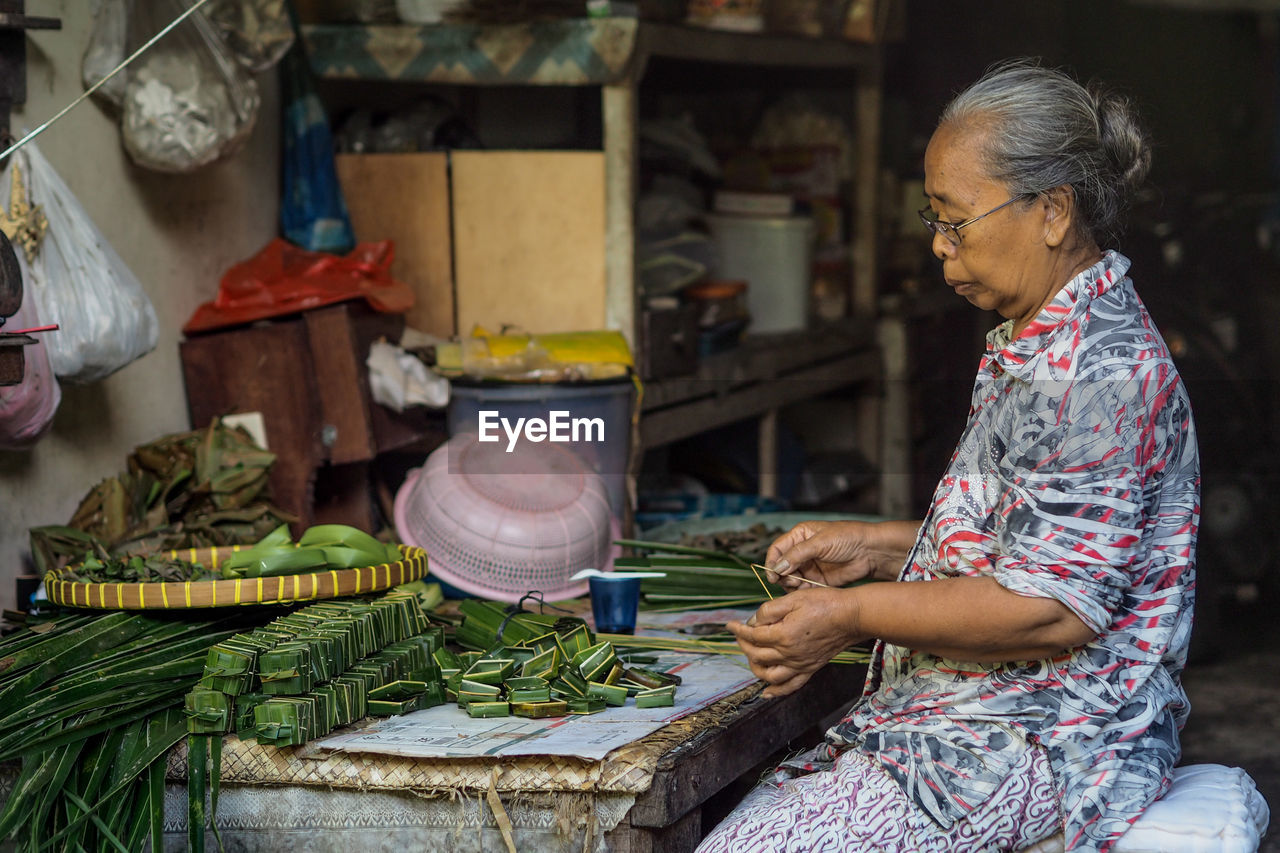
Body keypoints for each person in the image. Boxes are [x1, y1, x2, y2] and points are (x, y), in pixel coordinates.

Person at [697, 59, 1199, 853]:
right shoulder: (1041, 341)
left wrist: (850, 613)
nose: (937, 245)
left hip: (1051, 736)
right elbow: (1029, 538)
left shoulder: (1093, 373)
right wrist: (874, 546)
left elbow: (1049, 607)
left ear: (1053, 212)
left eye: (953, 219)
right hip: (966, 715)